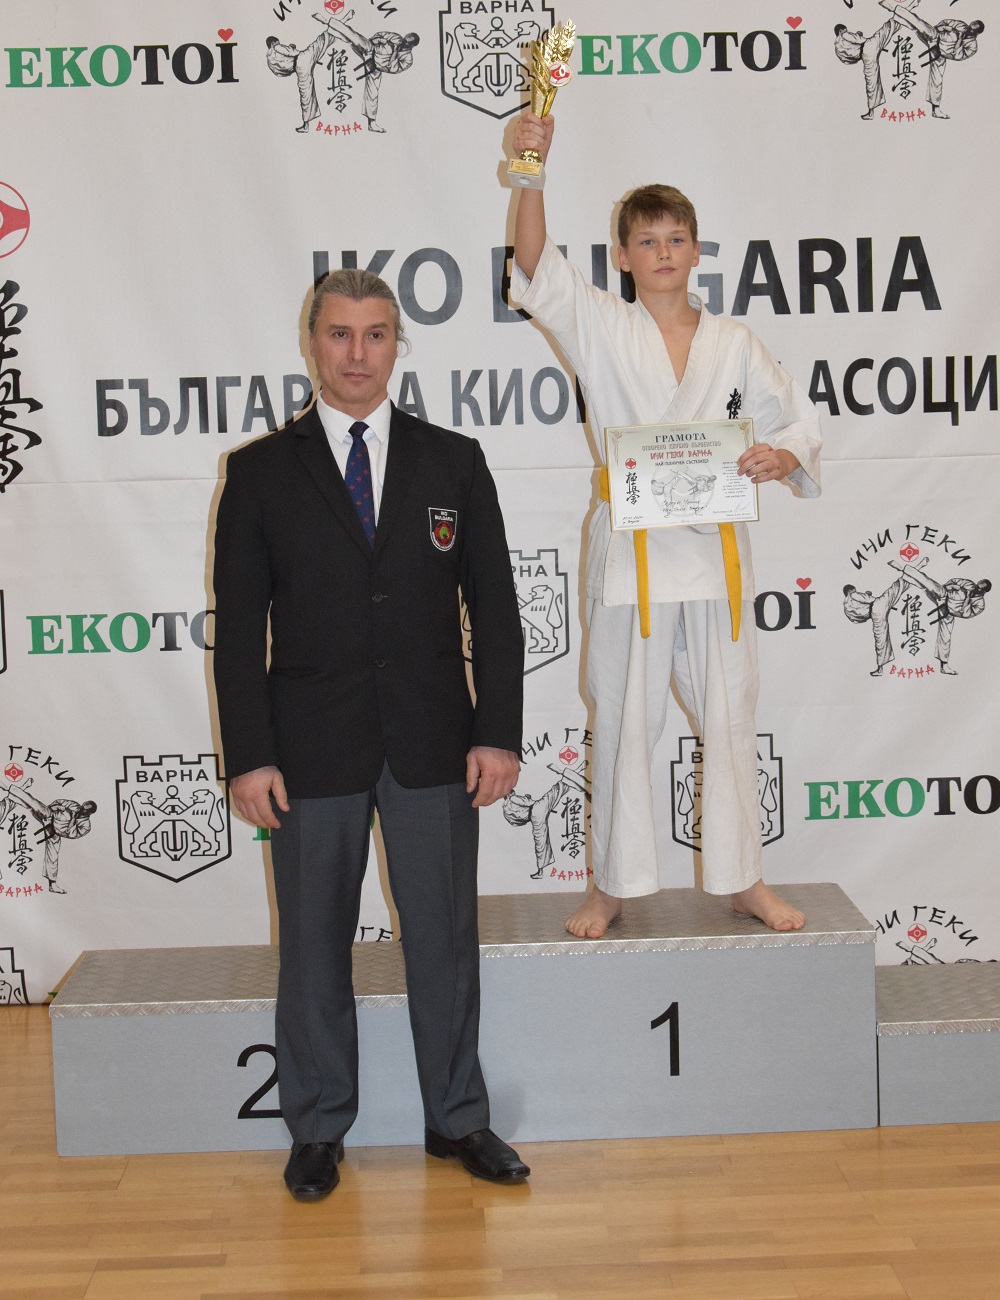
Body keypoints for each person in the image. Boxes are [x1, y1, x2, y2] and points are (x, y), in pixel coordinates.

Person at [213, 268, 529, 1200]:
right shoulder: (259, 472)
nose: (358, 353)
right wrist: (249, 755)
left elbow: (497, 612)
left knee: (445, 941)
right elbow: (240, 629)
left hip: (435, 743)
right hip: (308, 751)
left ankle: (457, 1119)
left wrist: (499, 732)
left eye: (377, 334)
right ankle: (317, 1129)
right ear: (312, 342)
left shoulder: (454, 460)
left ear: (398, 345)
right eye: (341, 334)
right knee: (313, 947)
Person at [507, 111, 822, 940]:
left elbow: (795, 423)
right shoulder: (603, 326)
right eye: (646, 241)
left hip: (715, 555)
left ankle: (744, 878)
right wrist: (531, 170)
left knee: (730, 716)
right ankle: (611, 886)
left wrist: (781, 456)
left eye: (677, 238)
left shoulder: (734, 341)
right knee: (621, 717)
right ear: (623, 256)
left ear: (696, 249)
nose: (663, 252)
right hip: (633, 555)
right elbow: (535, 266)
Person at [878, 0, 983, 119]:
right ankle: (893, 9)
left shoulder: (972, 46)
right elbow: (945, 22)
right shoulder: (961, 25)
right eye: (969, 26)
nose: (968, 29)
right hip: (935, 36)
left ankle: (936, 110)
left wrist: (959, 40)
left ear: (976, 33)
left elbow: (956, 55)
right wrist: (942, 28)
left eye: (971, 29)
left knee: (937, 78)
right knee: (919, 24)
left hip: (939, 54)